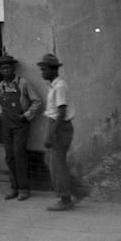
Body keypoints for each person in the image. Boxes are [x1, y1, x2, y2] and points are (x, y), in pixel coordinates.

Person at [0, 54, 42, 200]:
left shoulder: (23, 83)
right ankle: (14, 187)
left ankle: (24, 188)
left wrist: (26, 115)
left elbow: (37, 101)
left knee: (19, 154)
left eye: (8, 68)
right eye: (2, 68)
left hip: (20, 124)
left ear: (13, 68)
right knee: (9, 156)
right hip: (6, 124)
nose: (5, 71)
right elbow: (1, 101)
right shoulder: (1, 85)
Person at [39, 53, 75, 211]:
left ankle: (65, 199)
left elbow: (61, 112)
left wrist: (51, 133)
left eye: (45, 69)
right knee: (52, 161)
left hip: (59, 127)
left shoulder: (59, 86)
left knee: (57, 164)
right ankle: (77, 190)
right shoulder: (54, 85)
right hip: (55, 125)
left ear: (54, 70)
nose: (43, 73)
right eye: (42, 70)